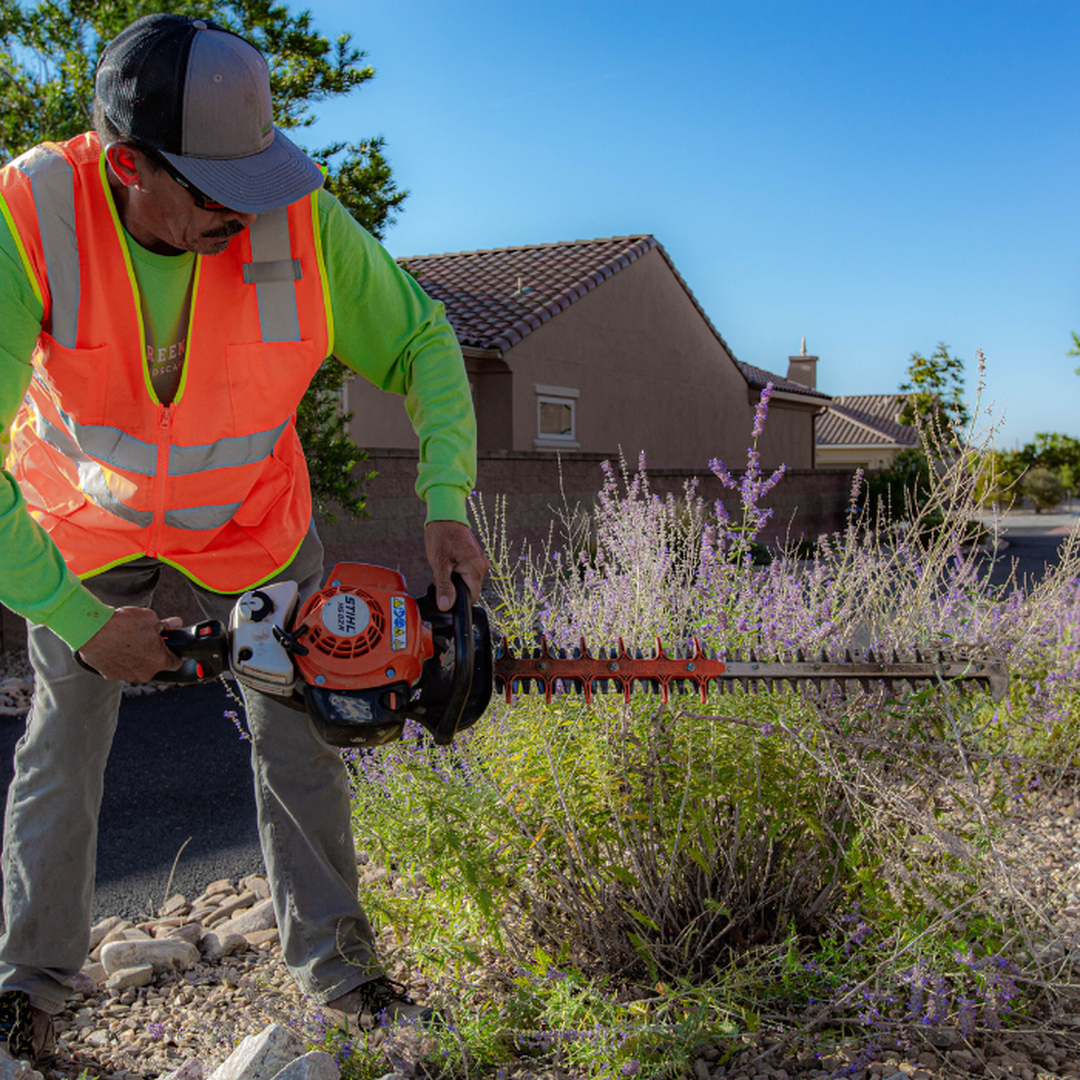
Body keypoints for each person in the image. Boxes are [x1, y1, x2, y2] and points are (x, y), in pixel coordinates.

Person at [0, 12, 488, 1067]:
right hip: (87, 521)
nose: (249, 212)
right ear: (129, 166)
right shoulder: (29, 214)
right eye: (218, 191)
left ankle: (342, 973)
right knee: (62, 742)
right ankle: (28, 987)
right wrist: (84, 620)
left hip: (254, 524)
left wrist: (447, 496)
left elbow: (423, 338)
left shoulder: (294, 218)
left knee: (301, 735)